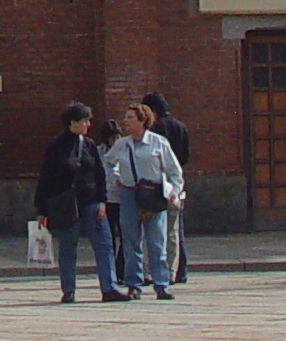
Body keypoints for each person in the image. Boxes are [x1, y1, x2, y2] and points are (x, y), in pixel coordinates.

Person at [33, 102, 123, 303]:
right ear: (72, 122)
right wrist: (41, 209)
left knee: (104, 244)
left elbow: (99, 174)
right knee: (67, 247)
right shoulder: (56, 146)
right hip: (66, 204)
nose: (88, 125)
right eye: (84, 121)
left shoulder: (89, 145)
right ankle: (68, 290)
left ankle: (110, 288)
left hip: (91, 201)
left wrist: (102, 200)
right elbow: (45, 178)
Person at [105, 101, 184, 301]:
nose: (126, 122)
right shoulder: (122, 144)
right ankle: (134, 284)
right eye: (125, 118)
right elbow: (107, 162)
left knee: (156, 240)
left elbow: (174, 171)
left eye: (131, 118)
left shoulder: (158, 143)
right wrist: (116, 178)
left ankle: (161, 284)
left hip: (153, 194)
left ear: (143, 120)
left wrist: (172, 191)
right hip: (130, 194)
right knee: (131, 241)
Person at [142, 91, 192, 283]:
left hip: (155, 184)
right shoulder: (180, 127)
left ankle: (155, 272)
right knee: (175, 231)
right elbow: (185, 157)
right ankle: (180, 270)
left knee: (155, 231)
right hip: (176, 182)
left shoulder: (154, 131)